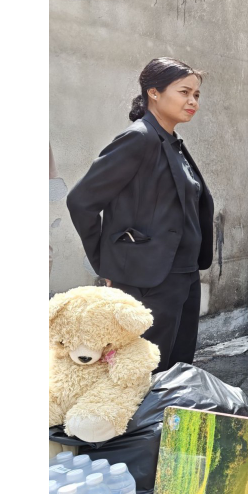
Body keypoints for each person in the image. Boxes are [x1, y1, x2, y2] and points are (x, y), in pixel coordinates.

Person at [67, 57, 214, 372]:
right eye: (184, 92)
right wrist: (106, 264)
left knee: (177, 370)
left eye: (196, 95)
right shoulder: (139, 138)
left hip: (184, 275)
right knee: (145, 373)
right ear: (154, 93)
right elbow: (81, 201)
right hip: (149, 279)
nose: (192, 101)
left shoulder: (171, 143)